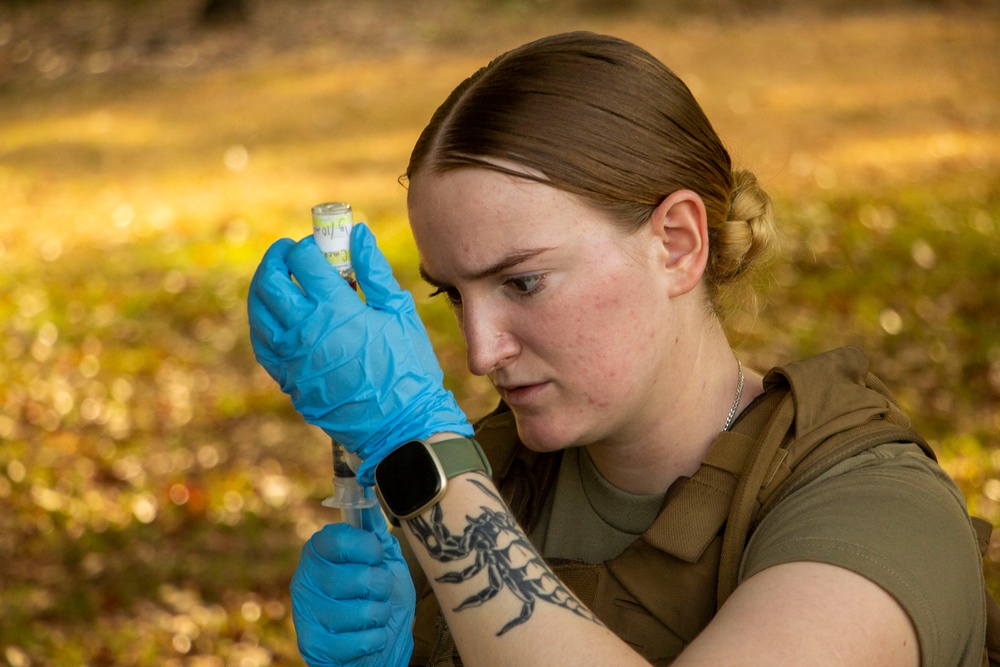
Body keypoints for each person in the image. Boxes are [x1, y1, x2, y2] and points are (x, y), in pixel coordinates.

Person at [247, 31, 988, 666]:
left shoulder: (874, 508)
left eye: (523, 281)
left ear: (676, 244)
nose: (479, 351)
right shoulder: (493, 477)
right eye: (453, 294)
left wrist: (418, 447)